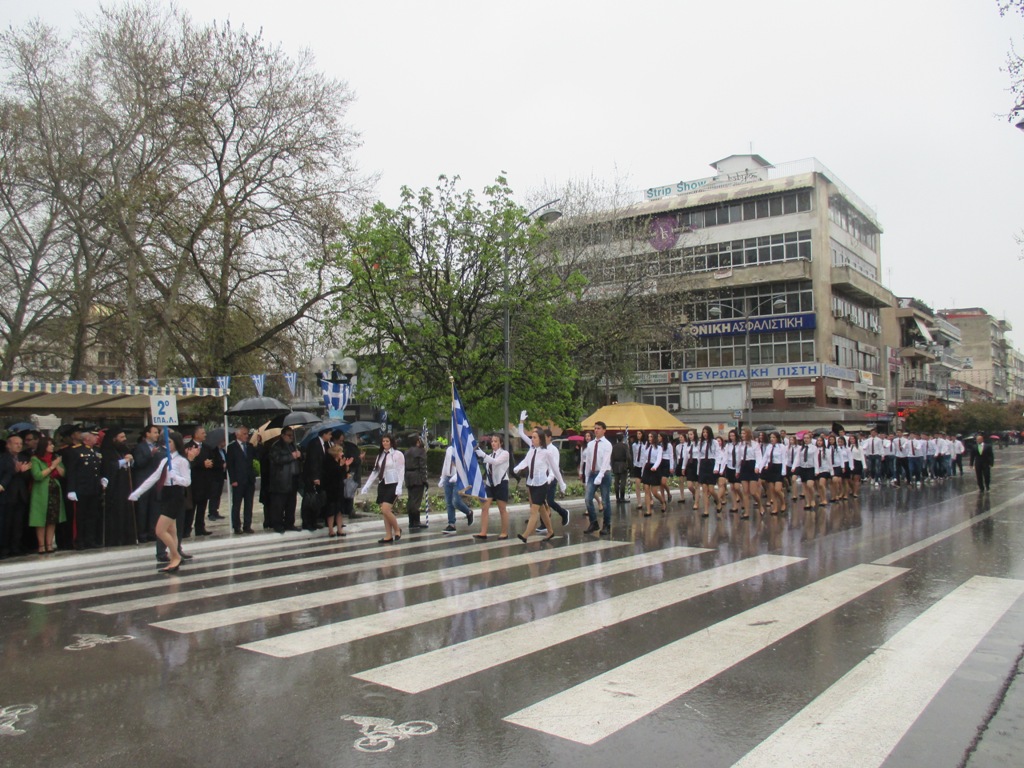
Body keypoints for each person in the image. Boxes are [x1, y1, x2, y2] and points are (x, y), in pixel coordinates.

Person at [130, 432, 200, 573]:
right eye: (166, 442)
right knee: (171, 530)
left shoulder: (182, 461)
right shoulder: (165, 460)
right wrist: (137, 493)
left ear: (177, 443)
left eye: (170, 442)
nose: (167, 445)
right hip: (165, 494)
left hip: (175, 495)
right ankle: (175, 557)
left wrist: (176, 477)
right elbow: (153, 478)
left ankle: (175, 556)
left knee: (160, 530)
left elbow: (187, 482)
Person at [513, 430, 564, 542]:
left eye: (534, 437)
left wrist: (561, 483)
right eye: (532, 437)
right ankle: (550, 531)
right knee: (542, 510)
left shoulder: (546, 453)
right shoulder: (531, 451)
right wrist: (518, 467)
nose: (532, 439)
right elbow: (526, 461)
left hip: (541, 484)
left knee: (534, 510)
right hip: (532, 483)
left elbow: (555, 468)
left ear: (540, 440)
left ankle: (525, 535)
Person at [64, 427, 105, 549]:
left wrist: (102, 479)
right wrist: (71, 489)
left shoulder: (96, 451)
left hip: (94, 488)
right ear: (87, 438)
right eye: (94, 436)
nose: (96, 437)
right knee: (80, 516)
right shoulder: (76, 451)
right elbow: (72, 471)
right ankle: (79, 540)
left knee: (92, 515)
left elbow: (97, 469)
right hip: (81, 489)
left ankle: (90, 539)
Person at [360, 434, 405, 543]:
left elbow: (401, 470)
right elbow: (375, 471)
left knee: (386, 509)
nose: (385, 443)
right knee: (384, 511)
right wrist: (367, 485)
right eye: (383, 441)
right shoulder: (380, 455)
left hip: (393, 483)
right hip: (383, 484)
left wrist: (399, 486)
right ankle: (388, 535)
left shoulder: (397, 454)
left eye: (387, 441)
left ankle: (397, 529)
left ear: (391, 442)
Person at [100, 429, 136, 546]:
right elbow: (109, 467)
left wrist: (131, 460)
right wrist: (123, 461)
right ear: (114, 439)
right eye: (121, 437)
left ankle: (127, 538)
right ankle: (115, 539)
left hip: (124, 486)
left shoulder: (124, 449)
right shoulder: (106, 451)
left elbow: (130, 464)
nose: (124, 439)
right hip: (114, 487)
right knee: (116, 513)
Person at [29, 435, 65, 554]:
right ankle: (41, 545)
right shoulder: (35, 459)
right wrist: (52, 466)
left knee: (52, 518)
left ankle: (49, 544)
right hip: (41, 492)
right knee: (40, 519)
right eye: (50, 444)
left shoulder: (55, 458)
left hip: (54, 491)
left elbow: (63, 473)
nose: (52, 446)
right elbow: (38, 475)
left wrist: (57, 465)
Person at [266, 427, 302, 534]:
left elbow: (299, 459)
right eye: (289, 435)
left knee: (291, 503)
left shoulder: (293, 445)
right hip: (281, 479)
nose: (291, 437)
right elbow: (276, 459)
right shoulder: (277, 446)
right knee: (279, 504)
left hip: (293, 478)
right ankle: (278, 524)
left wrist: (299, 455)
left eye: (292, 435)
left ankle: (289, 523)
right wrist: (291, 456)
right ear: (283, 435)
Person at [0, 434, 32, 558]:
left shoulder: (24, 458)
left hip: (21, 495)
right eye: (16, 443)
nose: (19, 446)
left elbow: (28, 477)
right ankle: (4, 548)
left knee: (18, 523)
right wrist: (15, 471)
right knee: (6, 524)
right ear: (8, 445)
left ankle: (16, 547)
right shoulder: (3, 459)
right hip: (7, 496)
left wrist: (24, 472)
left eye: (20, 444)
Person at [132, 425, 164, 543]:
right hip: (143, 481)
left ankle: (152, 532)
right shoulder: (140, 447)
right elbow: (139, 463)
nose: (157, 435)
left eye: (158, 433)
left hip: (155, 482)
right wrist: (150, 454)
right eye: (155, 432)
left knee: (154, 508)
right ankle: (142, 533)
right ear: (147, 434)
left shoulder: (159, 447)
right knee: (143, 509)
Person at [475, 434, 510, 539]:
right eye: (492, 441)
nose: (493, 443)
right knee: (484, 507)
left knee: (502, 509)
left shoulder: (505, 454)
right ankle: (483, 532)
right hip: (490, 484)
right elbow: (488, 467)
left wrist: (483, 455)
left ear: (501, 443)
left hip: (501, 483)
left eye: (496, 441)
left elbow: (496, 462)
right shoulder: (490, 455)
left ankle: (504, 532)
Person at [582, 421, 613, 535]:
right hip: (593, 473)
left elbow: (605, 462)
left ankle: (606, 525)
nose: (596, 430)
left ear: (604, 430)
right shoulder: (590, 444)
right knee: (588, 499)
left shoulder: (607, 444)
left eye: (599, 428)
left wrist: (600, 475)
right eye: (595, 428)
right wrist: (586, 476)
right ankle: (593, 522)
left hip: (604, 474)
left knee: (605, 501)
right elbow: (588, 461)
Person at [226, 425, 257, 534]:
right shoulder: (232, 447)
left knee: (249, 504)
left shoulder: (250, 446)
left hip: (249, 480)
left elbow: (256, 457)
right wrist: (233, 480)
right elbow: (230, 465)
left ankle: (247, 525)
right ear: (237, 434)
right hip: (238, 481)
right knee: (237, 504)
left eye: (247, 434)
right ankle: (236, 526)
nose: (246, 436)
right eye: (244, 434)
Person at [185, 427, 215, 537]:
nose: (205, 435)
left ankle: (200, 527)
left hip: (205, 481)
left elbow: (213, 459)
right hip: (193, 482)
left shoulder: (207, 447)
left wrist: (210, 463)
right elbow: (188, 463)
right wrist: (202, 464)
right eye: (202, 433)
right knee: (191, 508)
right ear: (196, 434)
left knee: (202, 506)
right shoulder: (188, 447)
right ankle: (186, 529)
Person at [438, 444, 474, 533]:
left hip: (459, 478)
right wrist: (442, 477)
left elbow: (465, 466)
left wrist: (457, 475)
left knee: (456, 501)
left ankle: (469, 512)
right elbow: (446, 464)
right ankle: (451, 524)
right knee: (449, 502)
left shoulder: (462, 449)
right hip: (448, 477)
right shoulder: (449, 449)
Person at [301, 426, 331, 532]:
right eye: (329, 434)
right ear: (324, 434)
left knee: (318, 500)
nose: (330, 436)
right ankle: (307, 522)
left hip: (322, 476)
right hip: (311, 477)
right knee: (309, 500)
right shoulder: (314, 444)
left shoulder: (326, 444)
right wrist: (315, 477)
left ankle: (314, 520)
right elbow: (313, 462)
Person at [404, 435, 428, 530]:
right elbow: (423, 466)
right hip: (417, 477)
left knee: (411, 499)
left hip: (408, 476)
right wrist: (424, 480)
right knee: (416, 500)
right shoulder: (420, 451)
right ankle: (416, 521)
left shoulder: (406, 452)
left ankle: (411, 521)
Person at [610, 435, 630, 504]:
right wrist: (629, 466)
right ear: (622, 439)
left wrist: (612, 466)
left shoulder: (614, 447)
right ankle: (622, 497)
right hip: (623, 464)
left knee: (616, 482)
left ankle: (617, 497)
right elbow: (628, 456)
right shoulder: (625, 446)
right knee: (623, 482)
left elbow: (612, 457)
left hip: (615, 465)